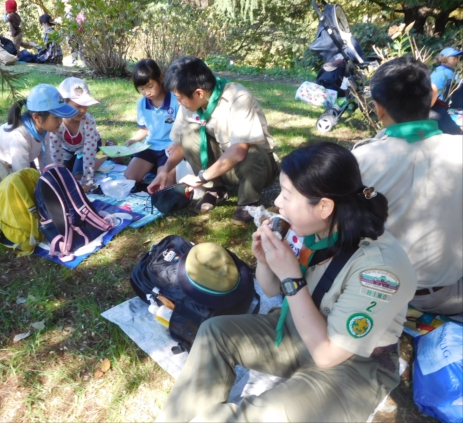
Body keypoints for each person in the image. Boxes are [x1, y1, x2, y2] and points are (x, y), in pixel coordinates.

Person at [156, 141, 417, 422]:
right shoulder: (312, 229)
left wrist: (292, 277)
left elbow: (328, 355)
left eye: (287, 195)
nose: (277, 202)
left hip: (352, 364)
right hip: (301, 330)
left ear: (324, 206)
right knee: (215, 332)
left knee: (250, 417)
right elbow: (270, 289)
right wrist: (267, 261)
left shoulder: (379, 271)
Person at [353, 56, 463, 317]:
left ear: (379, 108)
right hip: (448, 293)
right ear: (433, 98)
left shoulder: (360, 162)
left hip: (377, 291)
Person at [147, 56, 279, 225]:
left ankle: (249, 202)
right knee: (188, 135)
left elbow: (239, 151)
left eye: (180, 98)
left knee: (250, 151)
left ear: (199, 93)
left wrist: (200, 178)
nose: (179, 103)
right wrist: (164, 171)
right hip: (224, 167)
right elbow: (181, 144)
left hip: (258, 168)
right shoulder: (190, 103)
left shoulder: (238, 97)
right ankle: (216, 190)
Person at [0, 84, 77, 172]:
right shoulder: (18, 138)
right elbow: (21, 175)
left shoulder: (44, 129)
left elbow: (48, 162)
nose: (60, 121)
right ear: (36, 117)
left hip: (17, 164)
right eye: (56, 117)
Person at [123, 59, 178, 188]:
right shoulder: (142, 103)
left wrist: (177, 144)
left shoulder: (176, 100)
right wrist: (133, 140)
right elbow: (144, 129)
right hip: (149, 147)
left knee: (164, 186)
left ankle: (159, 167)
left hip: (169, 149)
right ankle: (154, 166)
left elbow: (186, 129)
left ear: (161, 78)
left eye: (150, 86)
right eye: (142, 88)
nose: (147, 92)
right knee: (129, 178)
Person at [48, 77, 106, 192]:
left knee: (78, 175)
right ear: (64, 103)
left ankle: (105, 151)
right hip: (67, 148)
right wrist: (59, 178)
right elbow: (55, 152)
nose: (83, 110)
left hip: (87, 146)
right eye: (78, 105)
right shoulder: (56, 123)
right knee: (65, 173)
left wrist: (87, 182)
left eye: (85, 105)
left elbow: (88, 152)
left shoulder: (88, 122)